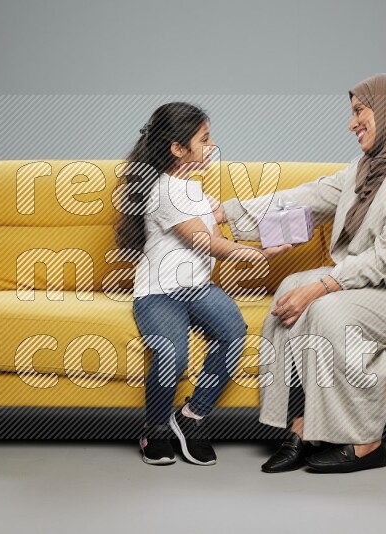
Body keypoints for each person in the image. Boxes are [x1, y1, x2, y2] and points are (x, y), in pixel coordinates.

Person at [213, 74, 386, 473]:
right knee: (290, 288)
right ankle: (304, 424)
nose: (352, 123)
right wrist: (226, 213)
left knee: (329, 311)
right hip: (373, 282)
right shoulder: (366, 168)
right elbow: (307, 201)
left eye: (360, 111)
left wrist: (321, 288)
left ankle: (365, 442)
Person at [114, 102, 291, 466]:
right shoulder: (163, 190)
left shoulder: (195, 192)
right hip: (160, 294)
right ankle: (155, 428)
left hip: (197, 290)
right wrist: (258, 255)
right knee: (172, 354)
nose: (212, 147)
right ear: (178, 148)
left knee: (233, 333)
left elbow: (219, 237)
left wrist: (269, 238)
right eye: (204, 139)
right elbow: (204, 242)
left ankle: (191, 416)